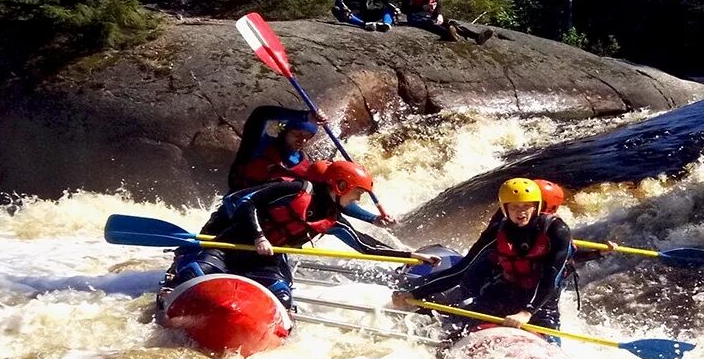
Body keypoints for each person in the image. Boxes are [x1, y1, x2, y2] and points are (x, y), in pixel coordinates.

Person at [163, 160, 429, 311]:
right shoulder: (296, 189)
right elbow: (248, 204)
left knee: (282, 296)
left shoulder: (333, 220)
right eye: (357, 192)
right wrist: (258, 236)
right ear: (340, 186)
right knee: (194, 273)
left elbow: (365, 247)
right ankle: (176, 287)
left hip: (265, 260)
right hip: (230, 246)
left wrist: (409, 255)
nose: (358, 198)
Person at [393, 177, 572, 341]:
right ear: (505, 208)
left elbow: (551, 278)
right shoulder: (499, 231)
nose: (521, 212)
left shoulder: (556, 232)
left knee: (550, 338)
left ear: (537, 206)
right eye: (514, 207)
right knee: (456, 332)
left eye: (527, 206)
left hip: (540, 304)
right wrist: (415, 293)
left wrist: (527, 312)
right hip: (504, 295)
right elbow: (462, 270)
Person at [228, 106, 395, 225]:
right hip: (235, 210)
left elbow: (337, 197)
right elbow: (260, 114)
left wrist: (372, 218)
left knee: (328, 215)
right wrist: (305, 115)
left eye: (308, 136)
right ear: (284, 131)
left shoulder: (306, 168)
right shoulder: (258, 147)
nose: (302, 140)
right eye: (297, 134)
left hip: (266, 222)